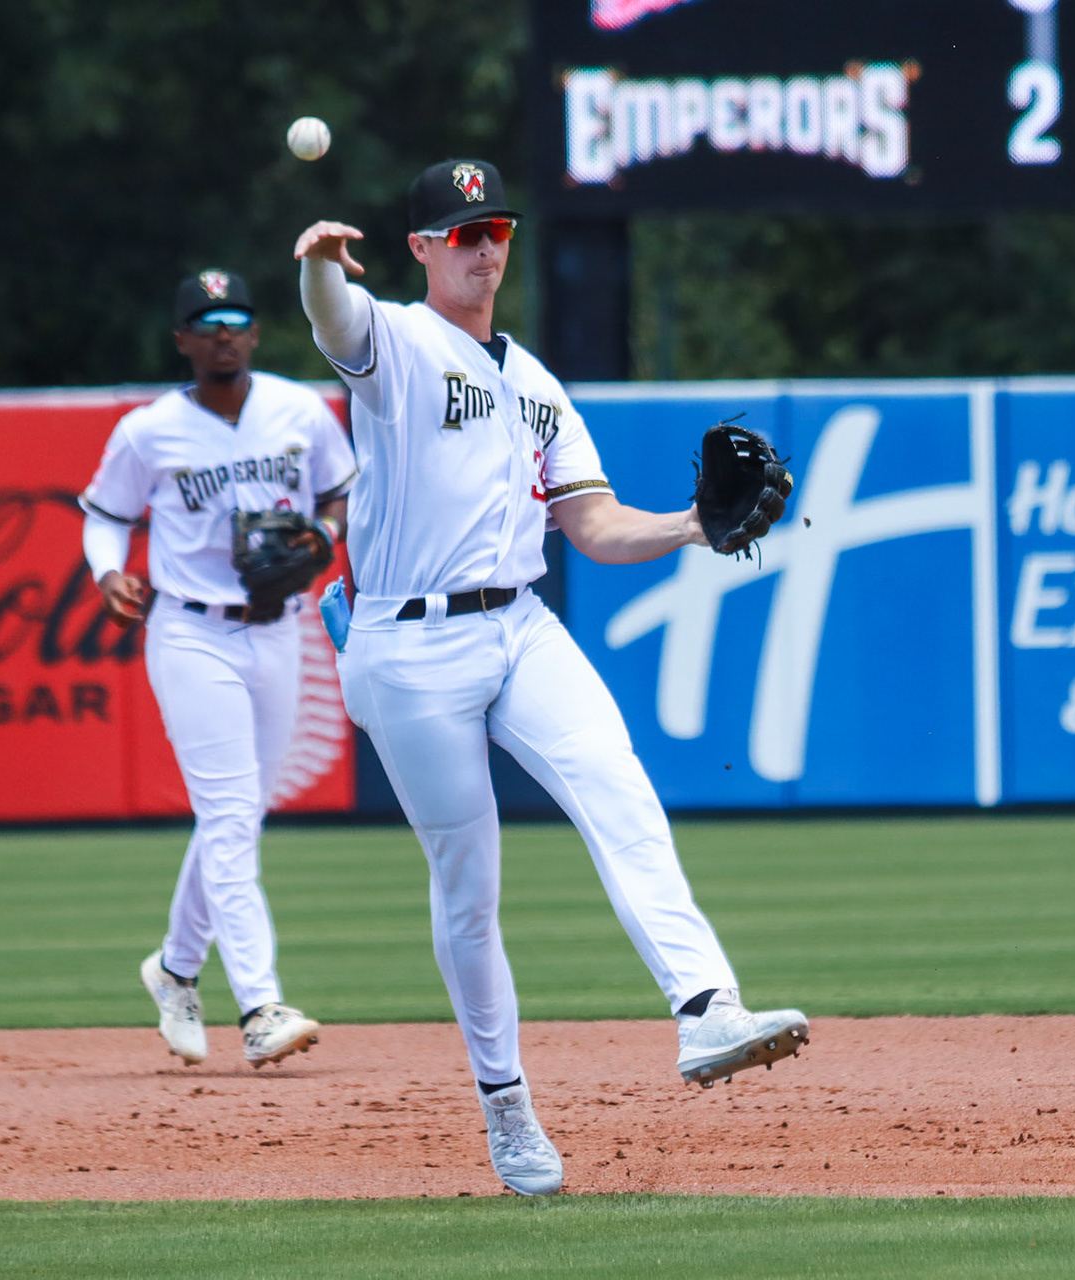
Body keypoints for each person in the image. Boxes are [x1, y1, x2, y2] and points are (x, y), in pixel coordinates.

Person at [293, 160, 808, 1196]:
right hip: (408, 643)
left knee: (617, 783)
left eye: (496, 228)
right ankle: (506, 1103)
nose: (485, 246)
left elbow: (596, 525)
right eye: (463, 231)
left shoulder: (536, 385)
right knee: (470, 883)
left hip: (519, 622)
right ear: (424, 249)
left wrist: (697, 525)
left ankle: (706, 1006)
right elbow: (336, 324)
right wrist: (315, 270)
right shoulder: (395, 338)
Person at [81, 268, 356, 1070]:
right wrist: (107, 574)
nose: (223, 332)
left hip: (278, 631)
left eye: (236, 317)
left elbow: (340, 495)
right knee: (232, 814)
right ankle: (262, 1005)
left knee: (237, 818)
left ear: (257, 332)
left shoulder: (299, 410)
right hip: (191, 632)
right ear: (183, 341)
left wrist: (325, 538)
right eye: (207, 321)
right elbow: (103, 517)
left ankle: (173, 970)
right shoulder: (149, 431)